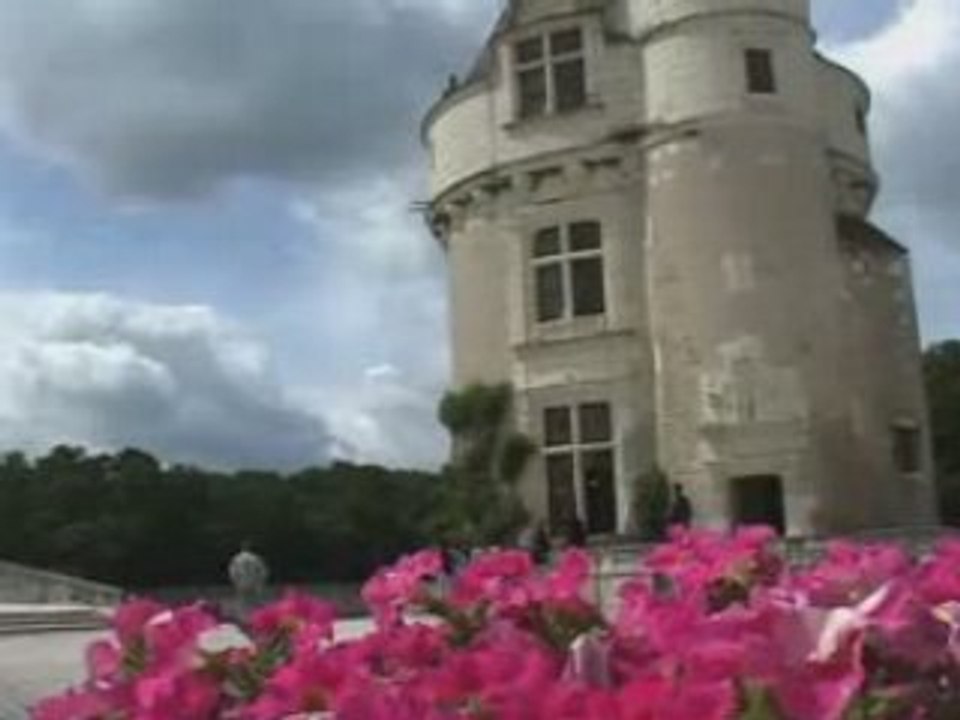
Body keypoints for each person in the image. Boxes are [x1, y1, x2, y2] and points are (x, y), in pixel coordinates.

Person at [228, 541, 269, 619]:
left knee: (243, 602)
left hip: (241, 583)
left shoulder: (237, 558)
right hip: (254, 583)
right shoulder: (255, 558)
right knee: (255, 602)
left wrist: (235, 581)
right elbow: (263, 570)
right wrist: (260, 581)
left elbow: (232, 571)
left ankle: (243, 617)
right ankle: (256, 617)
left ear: (242, 548)